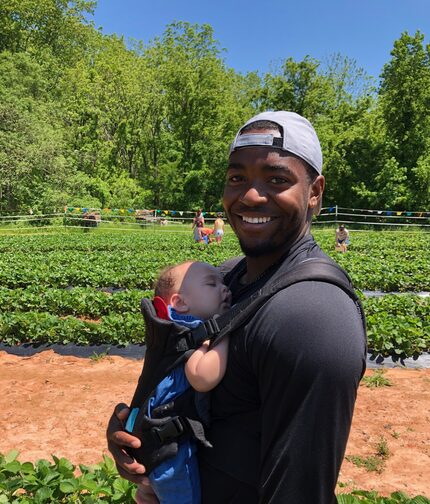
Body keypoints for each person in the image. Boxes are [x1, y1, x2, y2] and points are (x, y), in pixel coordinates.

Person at [107, 111, 367, 504]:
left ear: (315, 191)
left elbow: (297, 492)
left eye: (277, 179)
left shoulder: (312, 316)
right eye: (237, 178)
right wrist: (142, 431)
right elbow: (170, 363)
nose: (249, 195)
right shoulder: (225, 279)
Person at [130, 260, 232, 504]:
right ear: (180, 303)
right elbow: (202, 377)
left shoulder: (171, 332)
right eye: (212, 283)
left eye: (224, 283)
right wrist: (226, 331)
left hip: (157, 442)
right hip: (170, 454)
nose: (225, 289)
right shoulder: (190, 333)